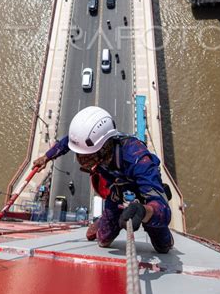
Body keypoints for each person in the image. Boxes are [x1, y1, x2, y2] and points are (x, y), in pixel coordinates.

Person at [32, 106, 173, 253]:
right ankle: (103, 221)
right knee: (103, 240)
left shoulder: (139, 160)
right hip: (117, 193)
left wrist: (144, 211)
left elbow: (164, 210)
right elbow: (67, 142)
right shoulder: (94, 145)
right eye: (79, 154)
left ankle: (158, 231)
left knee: (163, 247)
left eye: (87, 155)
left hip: (144, 198)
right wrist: (46, 157)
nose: (82, 160)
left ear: (105, 146)